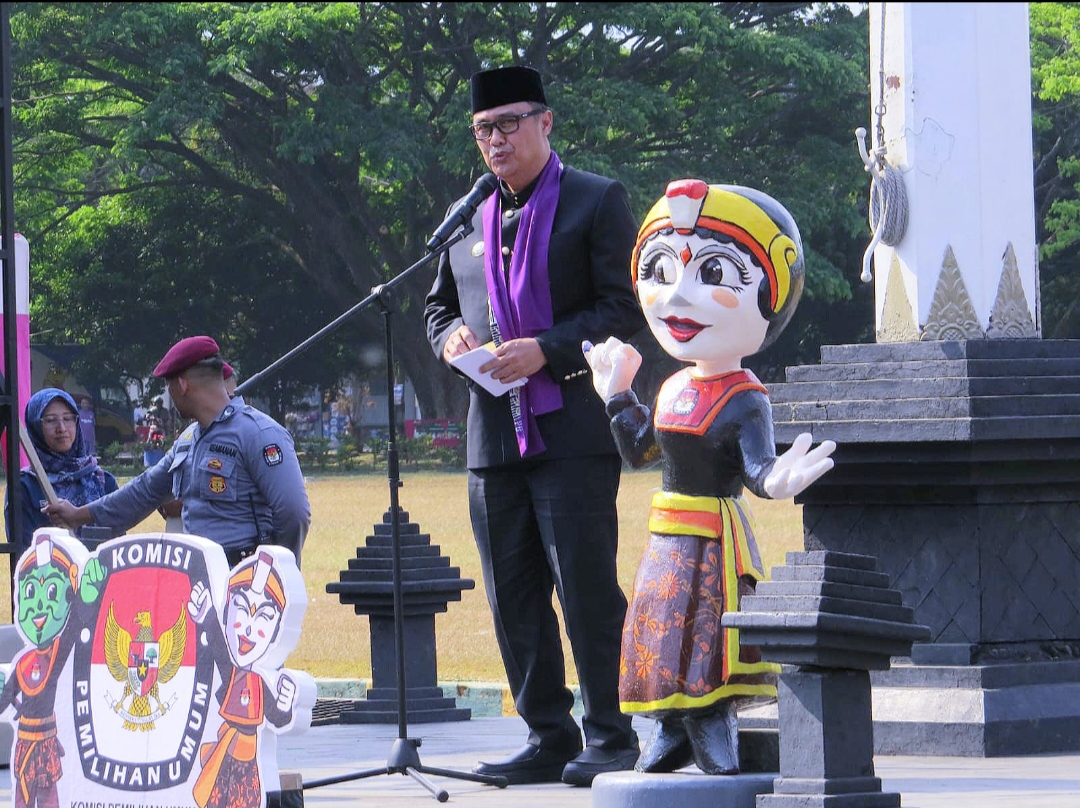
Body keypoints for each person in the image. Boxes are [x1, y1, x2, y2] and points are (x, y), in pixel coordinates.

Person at [423, 65, 645, 787]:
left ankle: (610, 733)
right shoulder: (468, 215)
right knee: (513, 596)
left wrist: (546, 348)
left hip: (570, 428)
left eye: (509, 124)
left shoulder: (595, 200)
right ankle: (548, 734)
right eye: (483, 129)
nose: (496, 140)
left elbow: (624, 308)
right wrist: (451, 339)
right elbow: (437, 308)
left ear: (546, 123)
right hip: (491, 435)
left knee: (584, 589)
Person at [585, 179, 836, 774]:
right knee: (661, 630)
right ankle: (670, 726)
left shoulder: (746, 397)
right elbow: (642, 451)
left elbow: (755, 468)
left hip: (713, 541)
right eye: (661, 270)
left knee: (707, 634)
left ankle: (709, 722)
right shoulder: (673, 385)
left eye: (714, 274)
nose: (677, 296)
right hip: (666, 537)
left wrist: (776, 480)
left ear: (770, 297)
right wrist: (617, 396)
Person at [44, 336, 311, 568]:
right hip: (198, 581)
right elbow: (144, 491)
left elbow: (293, 513)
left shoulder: (259, 434)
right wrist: (79, 514)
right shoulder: (188, 440)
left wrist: (274, 573)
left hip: (246, 583)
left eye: (169, 386)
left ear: (181, 385)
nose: (170, 394)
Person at [4, 388, 119, 558]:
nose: (62, 428)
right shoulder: (24, 485)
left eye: (68, 418)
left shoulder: (103, 480)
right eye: (51, 420)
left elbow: (118, 548)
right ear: (35, 426)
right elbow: (25, 554)